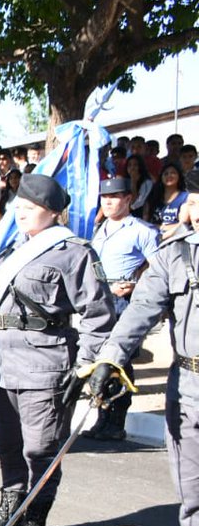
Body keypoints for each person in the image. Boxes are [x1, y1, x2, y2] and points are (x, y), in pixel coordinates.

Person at [0, 175, 115, 526]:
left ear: (52, 212)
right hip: (3, 363)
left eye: (29, 208)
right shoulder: (9, 252)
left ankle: (35, 518)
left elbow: (99, 313)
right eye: (17, 206)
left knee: (40, 448)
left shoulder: (73, 252)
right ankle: (9, 510)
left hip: (45, 362)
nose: (19, 213)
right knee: (9, 445)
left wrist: (86, 364)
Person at [88, 169, 199, 526]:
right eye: (191, 201)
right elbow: (140, 311)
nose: (194, 211)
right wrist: (110, 358)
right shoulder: (174, 253)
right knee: (190, 479)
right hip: (187, 382)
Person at [82, 176, 160, 441]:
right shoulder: (99, 228)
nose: (108, 202)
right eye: (105, 197)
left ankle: (117, 421)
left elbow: (159, 268)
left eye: (114, 197)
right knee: (100, 358)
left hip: (122, 300)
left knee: (120, 360)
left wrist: (135, 284)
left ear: (128, 199)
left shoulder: (142, 230)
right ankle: (102, 417)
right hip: (99, 298)